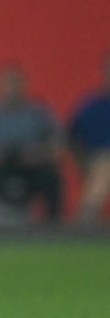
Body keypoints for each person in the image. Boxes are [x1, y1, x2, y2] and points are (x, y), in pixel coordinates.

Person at [0, 64, 63, 225]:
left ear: (23, 85)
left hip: (32, 166)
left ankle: (54, 226)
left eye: (15, 83)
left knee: (50, 175)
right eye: (6, 84)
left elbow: (58, 146)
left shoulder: (38, 113)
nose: (11, 88)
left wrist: (37, 153)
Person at [66, 51, 110, 224]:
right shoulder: (90, 105)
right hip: (95, 161)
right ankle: (88, 217)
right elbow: (72, 138)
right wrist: (81, 162)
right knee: (106, 165)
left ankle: (86, 216)